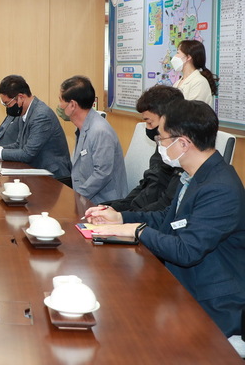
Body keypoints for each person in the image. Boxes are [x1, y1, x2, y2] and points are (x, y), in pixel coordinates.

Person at [85, 99, 245, 342]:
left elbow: (186, 251)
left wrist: (137, 231)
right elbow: (167, 219)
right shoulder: (193, 173)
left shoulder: (220, 188)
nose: (159, 145)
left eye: (161, 139)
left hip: (210, 301)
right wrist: (119, 217)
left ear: (183, 143)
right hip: (182, 281)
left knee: (127, 330)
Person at [0, 75, 70, 180]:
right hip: (36, 172)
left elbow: (27, 153)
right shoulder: (24, 112)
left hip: (54, 176)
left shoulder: (41, 115)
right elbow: (19, 144)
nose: (7, 108)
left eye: (7, 104)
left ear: (20, 97)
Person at [107, 85, 184, 212]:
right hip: (140, 210)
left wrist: (123, 216)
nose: (148, 128)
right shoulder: (162, 145)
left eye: (149, 122)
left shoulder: (178, 157)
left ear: (167, 119)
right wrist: (113, 207)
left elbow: (162, 205)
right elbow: (147, 183)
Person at [58, 75, 128, 203]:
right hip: (86, 196)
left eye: (61, 100)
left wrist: (75, 198)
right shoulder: (83, 126)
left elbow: (102, 174)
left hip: (103, 202)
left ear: (73, 105)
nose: (59, 105)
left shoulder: (100, 131)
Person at [170, 39, 218, 107]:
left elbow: (192, 112)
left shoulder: (199, 82)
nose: (175, 56)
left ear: (188, 57)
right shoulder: (178, 82)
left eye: (178, 53)